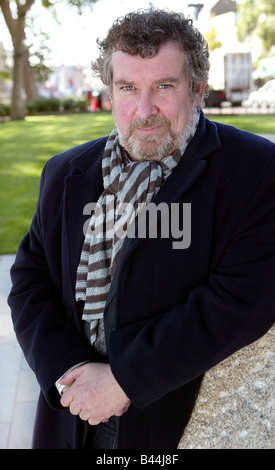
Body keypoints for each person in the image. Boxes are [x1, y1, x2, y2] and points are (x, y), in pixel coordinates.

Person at [8, 9, 275, 450]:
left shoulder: (255, 170)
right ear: (110, 94)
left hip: (169, 423)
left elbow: (241, 299)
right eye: (128, 88)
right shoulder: (65, 173)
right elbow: (29, 282)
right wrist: (67, 374)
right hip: (73, 419)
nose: (144, 109)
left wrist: (123, 381)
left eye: (164, 87)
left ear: (198, 89)